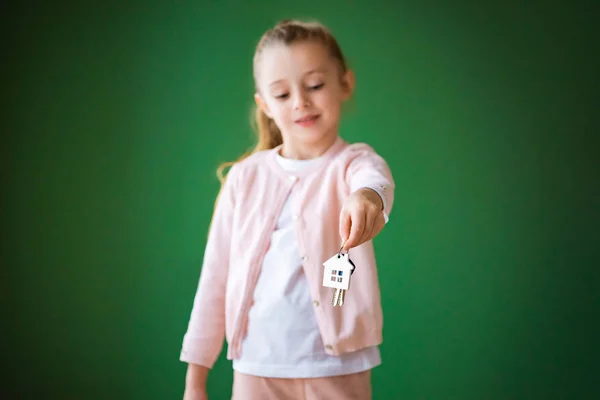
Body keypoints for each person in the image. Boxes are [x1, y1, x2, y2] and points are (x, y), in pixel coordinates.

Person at [180, 19, 395, 400]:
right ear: (264, 104)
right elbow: (213, 281)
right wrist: (195, 381)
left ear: (345, 83)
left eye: (314, 85)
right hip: (256, 368)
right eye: (281, 94)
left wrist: (366, 197)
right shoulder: (245, 179)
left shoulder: (353, 164)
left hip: (339, 367)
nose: (300, 102)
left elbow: (375, 183)